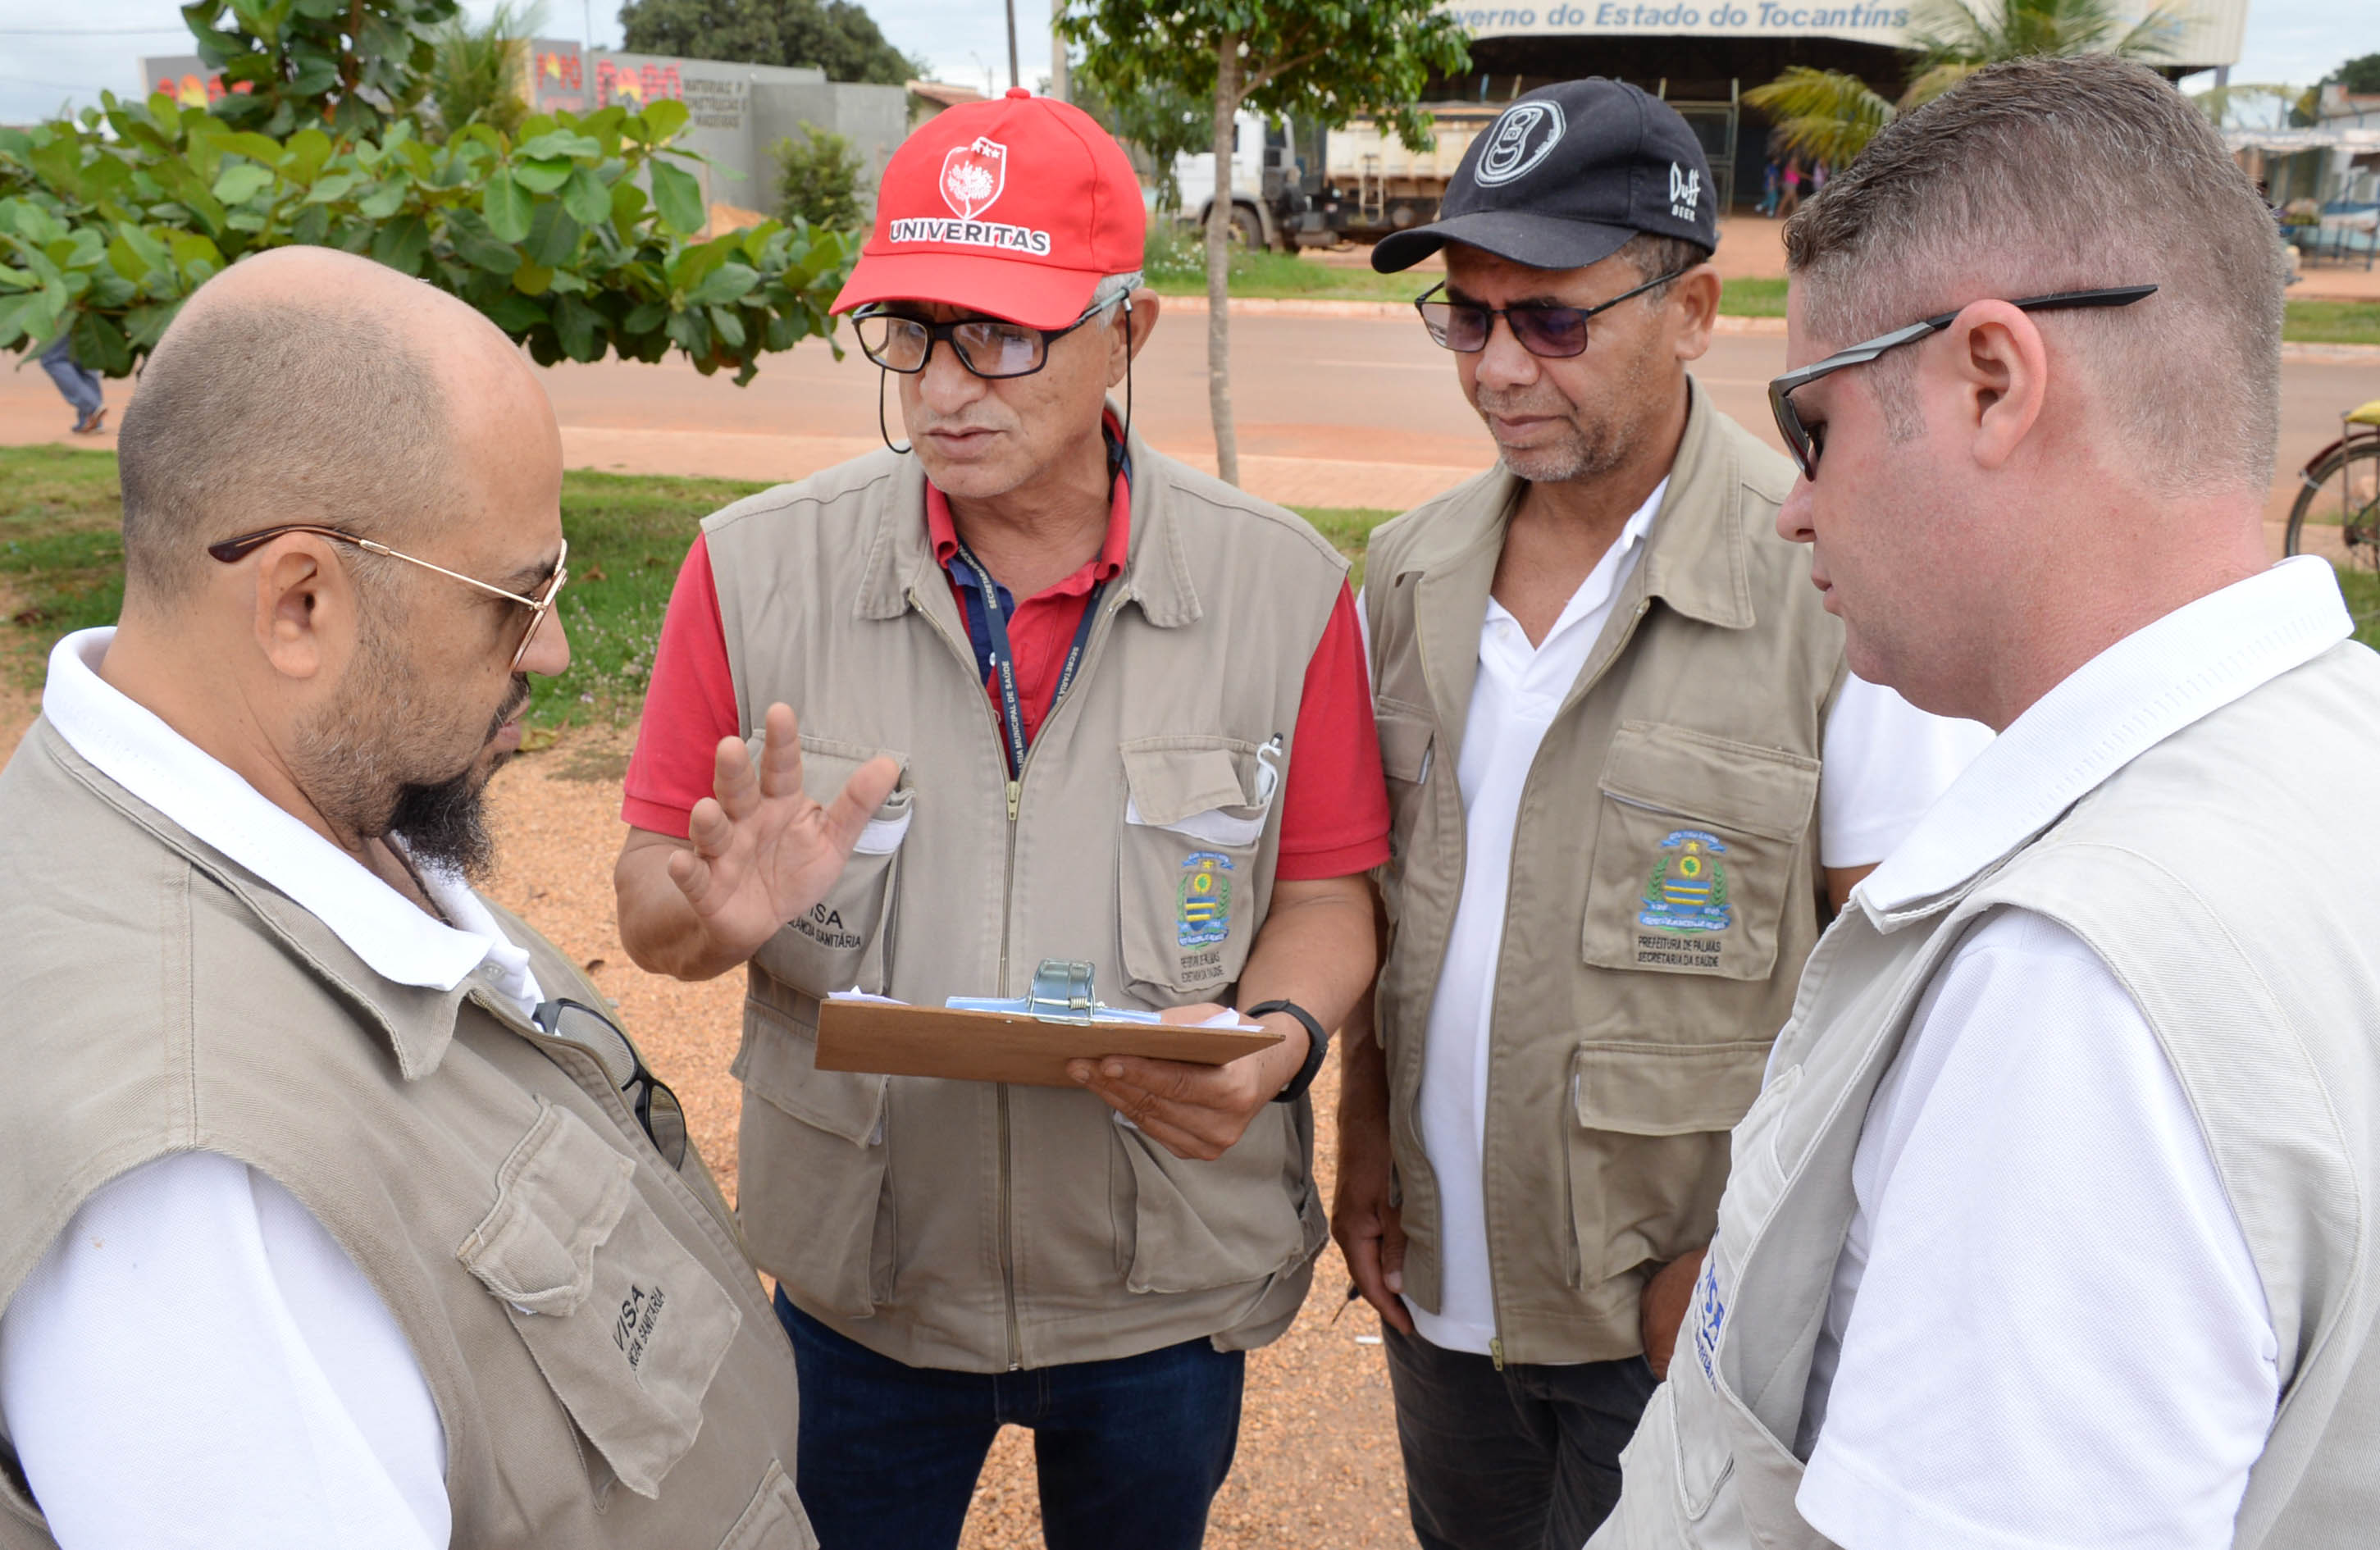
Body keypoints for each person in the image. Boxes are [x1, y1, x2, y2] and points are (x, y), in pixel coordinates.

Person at [1595, 55, 2380, 1549]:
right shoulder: (2335, 750)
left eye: (1811, 425)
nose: (1791, 501)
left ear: (1993, 379)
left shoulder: (2079, 982)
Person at [0, 247, 878, 1548]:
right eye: (513, 598)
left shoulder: (306, 795)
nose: (556, 647)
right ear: (300, 599)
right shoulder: (194, 1200)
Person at [612, 89, 1388, 1550]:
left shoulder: (1283, 591)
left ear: (1129, 331)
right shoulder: (750, 573)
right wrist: (701, 923)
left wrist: (1279, 1042)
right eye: (909, 326)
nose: (944, 387)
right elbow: (654, 890)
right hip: (868, 1286)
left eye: (1001, 333)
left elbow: (1331, 886)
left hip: (1159, 1278)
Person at [1336, 78, 1988, 1550]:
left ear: (1692, 310)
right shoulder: (1405, 575)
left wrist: (1769, 1264)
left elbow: (1911, 991)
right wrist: (1366, 1149)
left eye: (1551, 320)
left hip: (1677, 1313)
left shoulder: (1827, 584)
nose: (1498, 367)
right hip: (1443, 1300)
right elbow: (1392, 909)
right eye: (1465, 316)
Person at [39, 331, 106, 435]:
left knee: (52, 360)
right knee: (85, 362)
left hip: (66, 318)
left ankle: (91, 407)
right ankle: (90, 419)